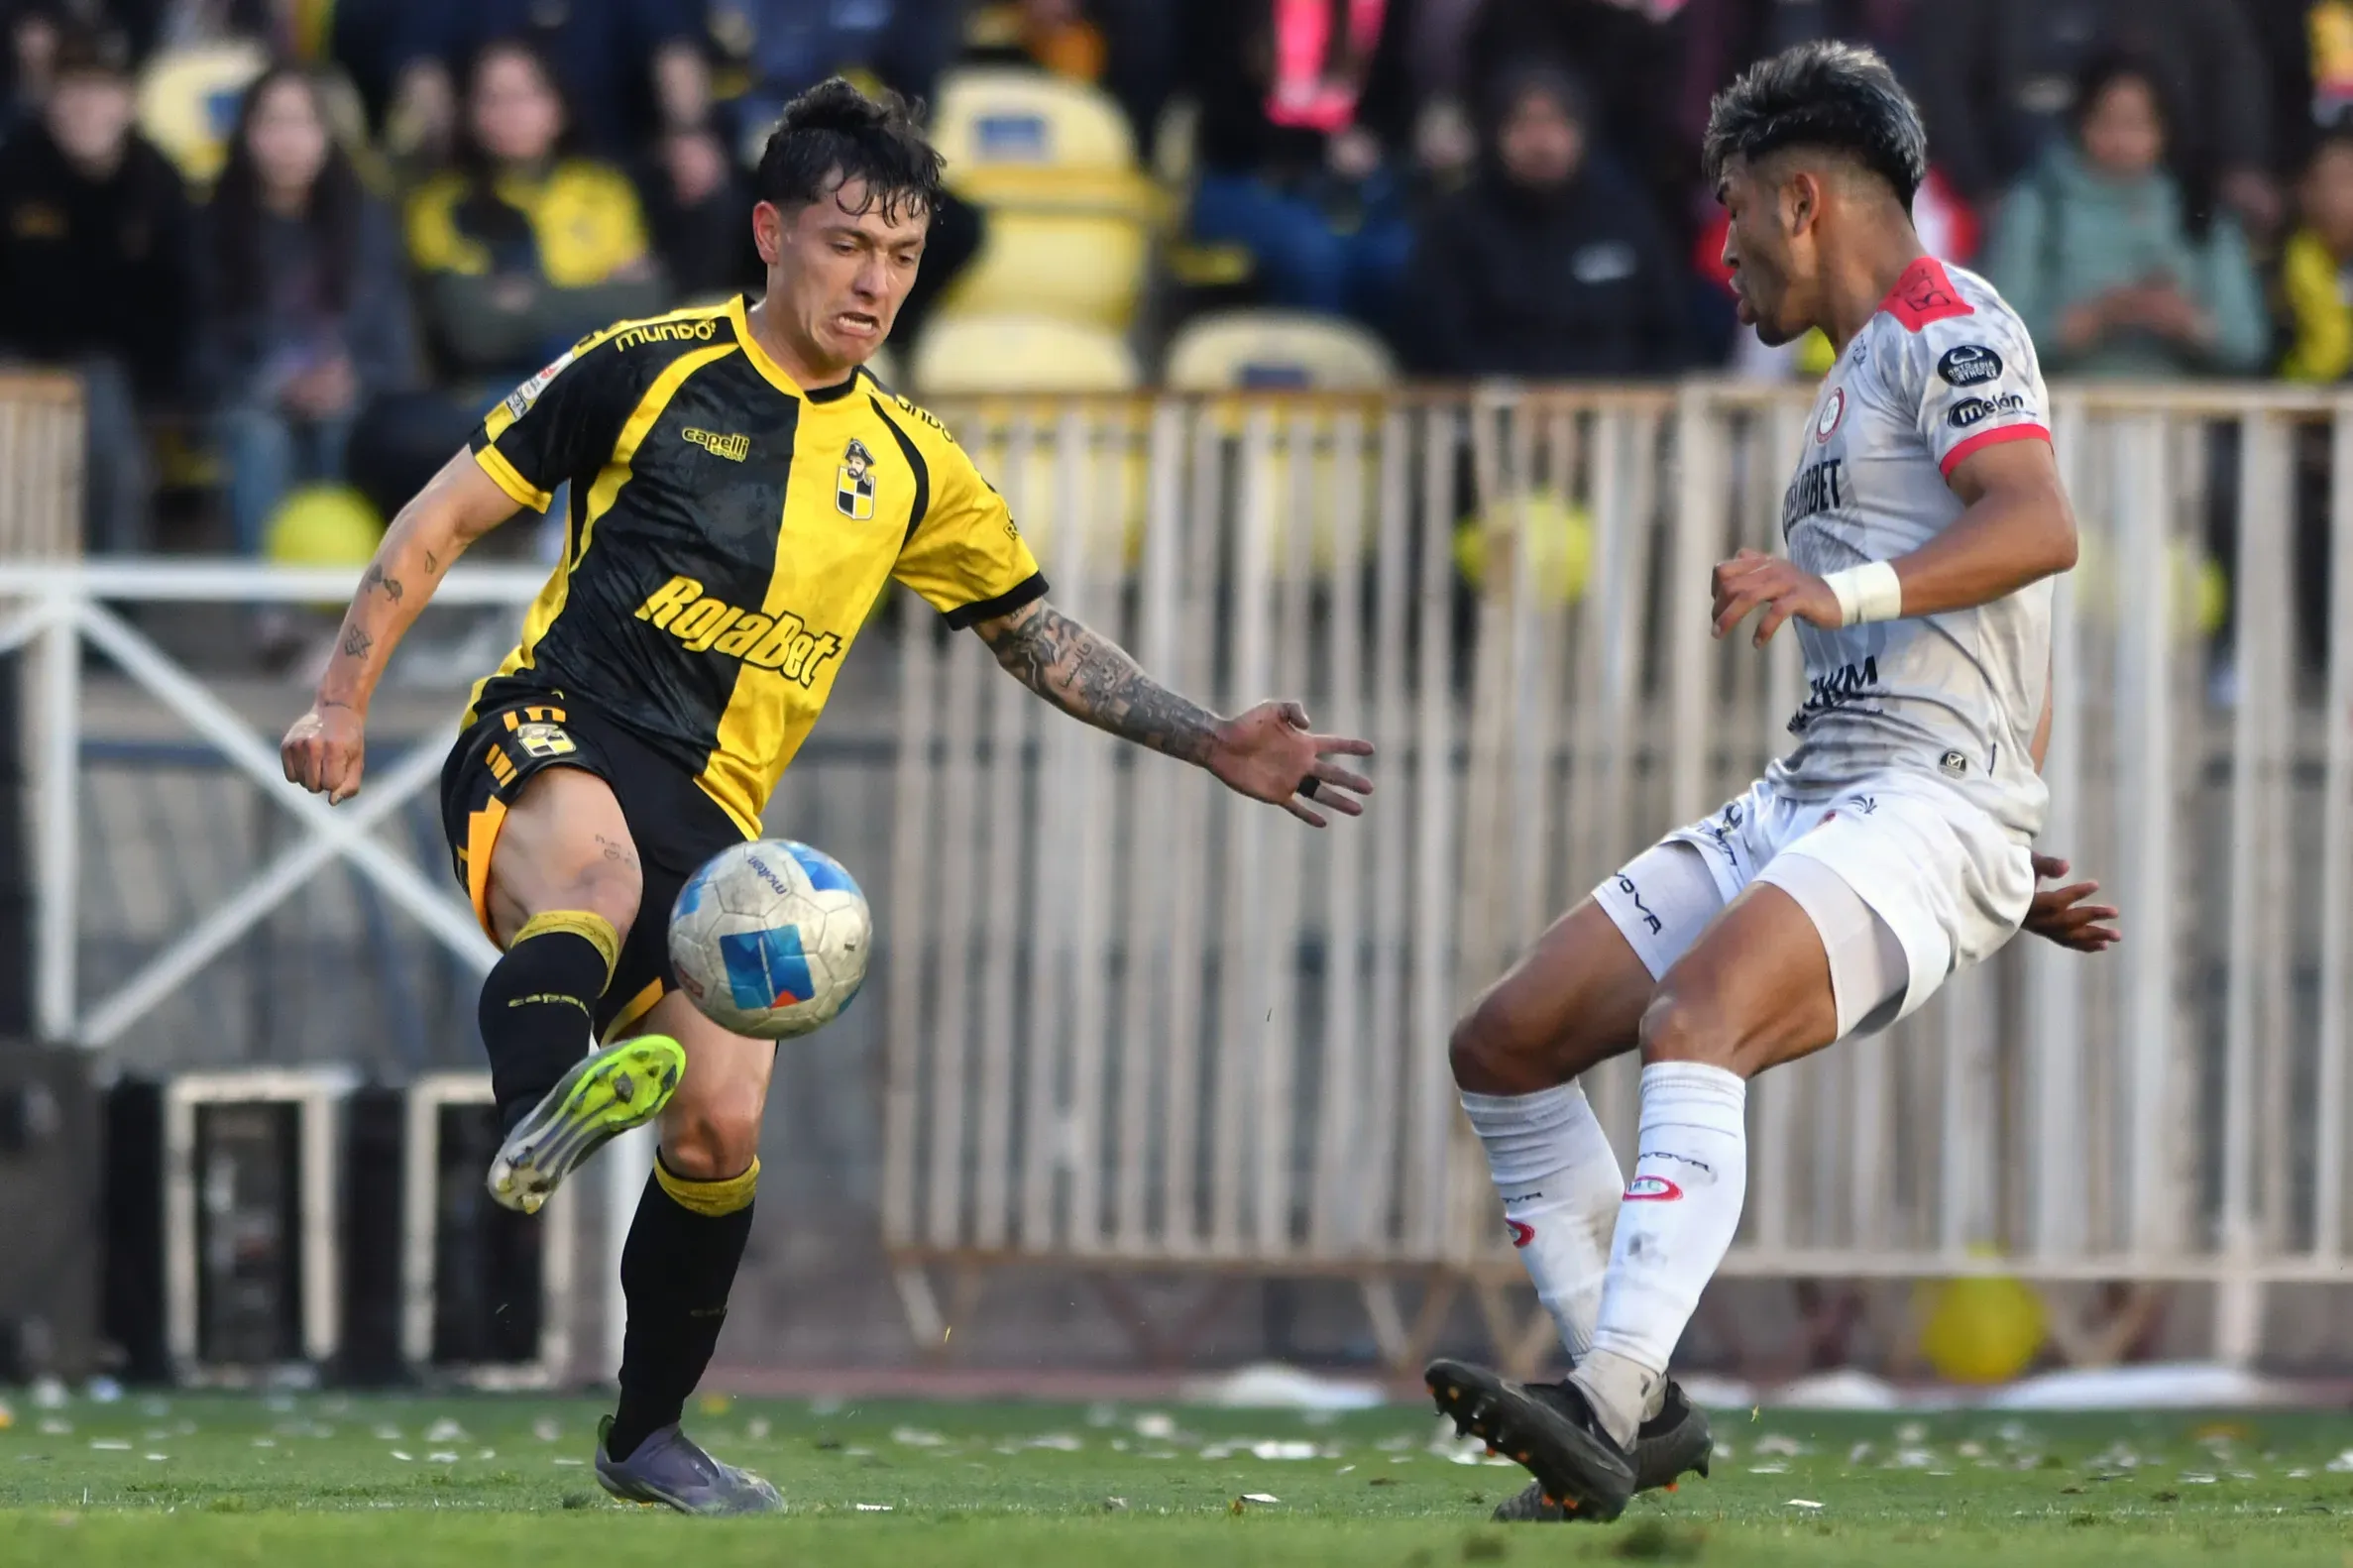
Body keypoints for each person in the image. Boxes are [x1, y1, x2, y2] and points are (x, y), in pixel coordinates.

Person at [280, 78, 1374, 1514]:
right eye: (848, 243)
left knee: (720, 1127)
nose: (875, 281)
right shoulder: (644, 364)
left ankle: (647, 1435)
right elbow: (438, 517)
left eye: (903, 257)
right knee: (595, 886)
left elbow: (1036, 636)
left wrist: (1207, 736)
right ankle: (543, 1102)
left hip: (717, 826)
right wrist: (340, 696)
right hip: (554, 726)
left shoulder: (913, 462)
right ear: (771, 232)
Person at [1420, 43, 2118, 1524]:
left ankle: (1603, 1391)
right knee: (1506, 1040)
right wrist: (2012, 832)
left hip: (1917, 803)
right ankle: (1644, 1405)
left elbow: (2038, 525)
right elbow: (2012, 629)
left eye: (1731, 212)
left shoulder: (1949, 325)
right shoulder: (1849, 370)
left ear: (1801, 201)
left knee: (1695, 1024)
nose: (1720, 251)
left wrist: (1966, 804)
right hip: (1825, 800)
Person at [197, 64, 416, 560]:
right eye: (272, 122)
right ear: (247, 134)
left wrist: (351, 378)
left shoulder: (365, 220)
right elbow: (201, 348)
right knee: (259, 439)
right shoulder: (213, 225)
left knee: (346, 431)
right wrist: (277, 384)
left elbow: (392, 339)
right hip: (249, 398)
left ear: (327, 134)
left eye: (303, 123)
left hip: (353, 396)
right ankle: (271, 622)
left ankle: (353, 623)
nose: (287, 140)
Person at [0, 24, 191, 553]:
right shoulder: (14, 167)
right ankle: (15, 623)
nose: (86, 106)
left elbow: (175, 301)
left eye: (102, 90)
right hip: (17, 355)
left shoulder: (157, 181)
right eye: (73, 89)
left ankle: (115, 616)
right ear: (51, 99)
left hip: (114, 367)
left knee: (114, 450)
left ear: (128, 103)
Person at [1979, 54, 2268, 380]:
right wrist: (2096, 318)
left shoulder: (2198, 206)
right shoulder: (2039, 205)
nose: (2121, 140)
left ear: (2164, 129)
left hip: (2173, 420)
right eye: (2106, 122)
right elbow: (1994, 340)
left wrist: (2186, 322)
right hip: (2061, 419)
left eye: (2137, 124)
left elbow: (2248, 345)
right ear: (2079, 123)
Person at [1406, 61, 1690, 379]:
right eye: (1524, 124)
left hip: (1616, 412)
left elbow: (1670, 333)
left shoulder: (1627, 218)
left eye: (1557, 123)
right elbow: (1439, 343)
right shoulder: (1455, 226)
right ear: (1494, 134)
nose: (1541, 142)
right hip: (1493, 413)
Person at [1179, 0, 1417, 333]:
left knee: (1396, 254)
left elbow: (1395, 105)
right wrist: (1319, 148)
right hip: (1242, 176)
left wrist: (1371, 142)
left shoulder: (1377, 11)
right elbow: (1224, 123)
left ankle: (1379, 378)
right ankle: (1318, 376)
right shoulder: (1233, 13)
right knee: (1314, 254)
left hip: (1348, 187)